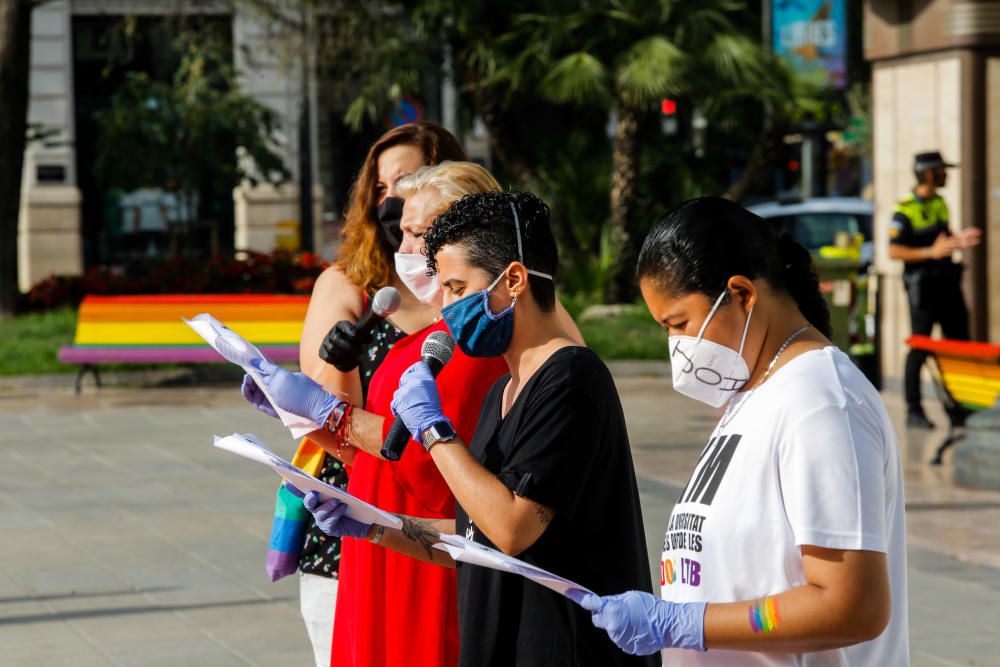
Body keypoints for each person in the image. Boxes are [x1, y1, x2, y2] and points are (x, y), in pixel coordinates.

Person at [294, 191, 656, 667]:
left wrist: (432, 431)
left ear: (514, 280)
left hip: (563, 648)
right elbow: (475, 536)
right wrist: (374, 525)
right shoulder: (503, 390)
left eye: (458, 288)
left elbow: (511, 528)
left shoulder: (570, 379)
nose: (445, 308)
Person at [238, 165, 583, 667]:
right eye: (405, 230)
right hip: (384, 541)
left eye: (422, 233)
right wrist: (299, 415)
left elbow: (428, 462)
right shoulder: (440, 334)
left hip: (427, 558)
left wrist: (327, 413)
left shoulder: (475, 341)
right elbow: (385, 453)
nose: (408, 246)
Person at [577, 197, 907, 665]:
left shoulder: (821, 402)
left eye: (680, 324)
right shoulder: (755, 392)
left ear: (741, 294)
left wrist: (690, 625)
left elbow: (852, 606)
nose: (677, 346)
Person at [290, 122, 466, 667]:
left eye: (409, 180)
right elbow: (324, 423)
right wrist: (338, 369)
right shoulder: (352, 285)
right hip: (358, 527)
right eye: (384, 188)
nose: (395, 201)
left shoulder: (481, 304)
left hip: (451, 529)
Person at [888, 150, 982, 429]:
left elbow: (944, 238)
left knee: (960, 346)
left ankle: (961, 409)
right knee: (920, 345)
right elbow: (894, 251)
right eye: (942, 171)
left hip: (947, 285)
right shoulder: (904, 209)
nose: (946, 176)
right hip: (923, 290)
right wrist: (931, 251)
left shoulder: (940, 203)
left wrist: (958, 241)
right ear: (929, 174)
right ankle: (914, 410)